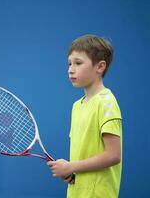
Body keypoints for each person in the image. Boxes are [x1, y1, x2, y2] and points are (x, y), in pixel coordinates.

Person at [47, 34, 123, 198]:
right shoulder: (76, 107)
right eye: (69, 63)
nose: (70, 69)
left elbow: (113, 155)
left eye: (78, 63)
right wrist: (71, 173)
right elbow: (83, 155)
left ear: (100, 67)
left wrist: (71, 166)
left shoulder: (107, 103)